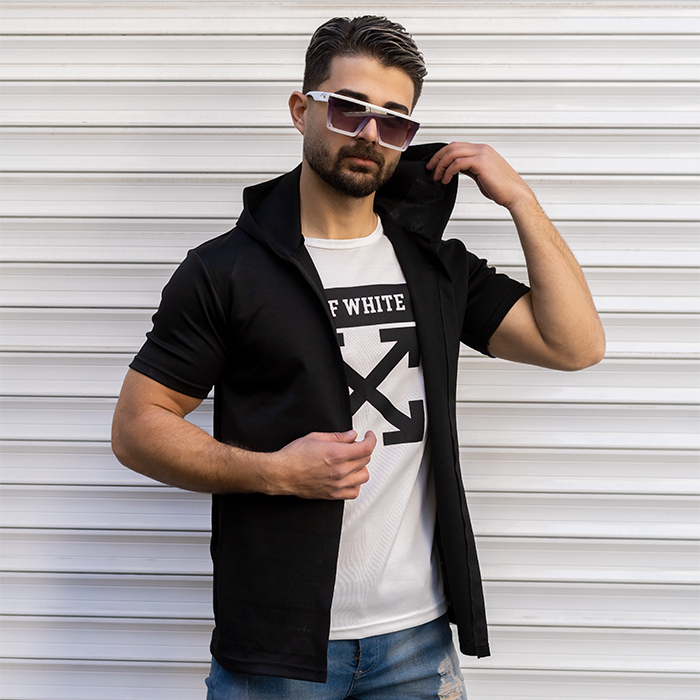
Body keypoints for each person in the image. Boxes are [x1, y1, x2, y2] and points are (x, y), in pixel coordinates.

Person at [111, 15, 605, 700]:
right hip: (278, 651)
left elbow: (575, 345)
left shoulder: (435, 269)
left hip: (418, 640)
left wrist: (520, 198)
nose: (370, 133)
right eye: (348, 108)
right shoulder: (225, 271)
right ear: (301, 110)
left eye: (394, 120)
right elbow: (138, 428)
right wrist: (275, 473)